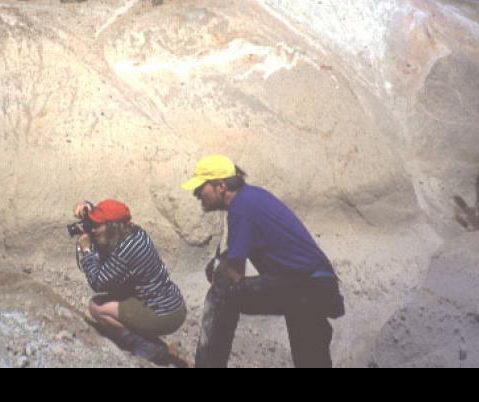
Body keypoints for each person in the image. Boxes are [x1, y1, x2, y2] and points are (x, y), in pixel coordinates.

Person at [181, 154, 345, 368]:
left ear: (220, 186)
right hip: (317, 284)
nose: (196, 194)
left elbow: (234, 273)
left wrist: (217, 271)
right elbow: (242, 250)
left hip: (303, 285)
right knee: (311, 359)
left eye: (201, 187)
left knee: (221, 294)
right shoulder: (252, 197)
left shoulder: (241, 208)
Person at [73, 199, 187, 364]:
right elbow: (109, 216)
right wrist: (89, 208)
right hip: (171, 303)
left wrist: (87, 250)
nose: (93, 229)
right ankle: (151, 341)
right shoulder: (134, 233)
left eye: (96, 225)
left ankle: (148, 347)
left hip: (164, 313)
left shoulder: (126, 250)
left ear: (112, 227)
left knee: (97, 307)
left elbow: (97, 282)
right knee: (115, 295)